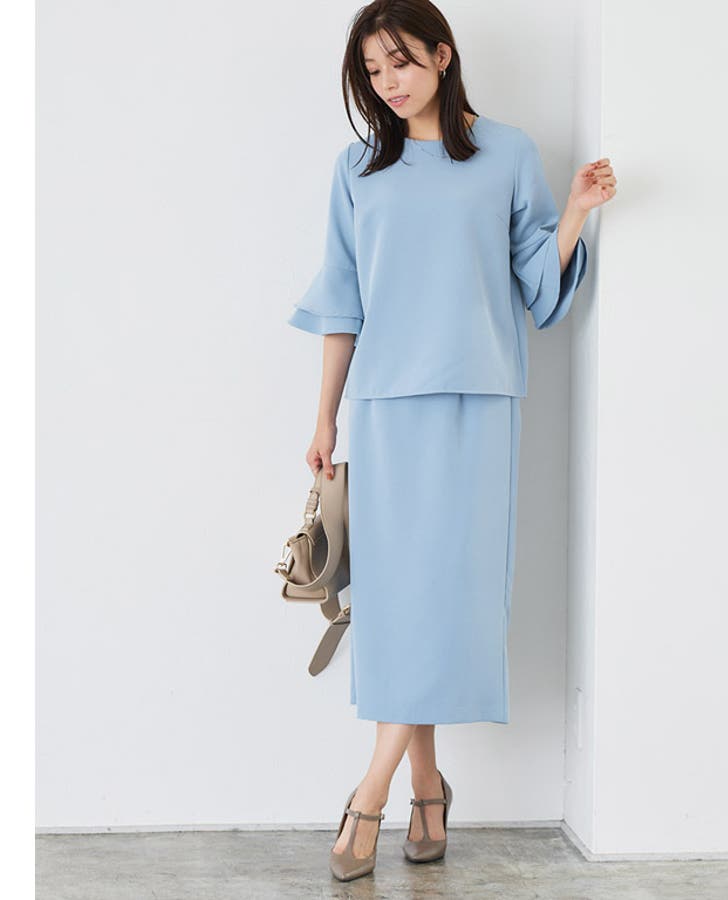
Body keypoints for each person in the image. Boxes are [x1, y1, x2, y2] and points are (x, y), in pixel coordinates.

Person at [286, 0, 616, 882]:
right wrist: (324, 418)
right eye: (373, 70)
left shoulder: (506, 153)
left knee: (445, 596)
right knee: (400, 602)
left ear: (441, 54)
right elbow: (343, 298)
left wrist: (576, 211)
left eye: (400, 61)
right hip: (386, 407)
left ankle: (374, 788)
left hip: (478, 400)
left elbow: (537, 282)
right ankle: (424, 787)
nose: (387, 82)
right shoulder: (358, 168)